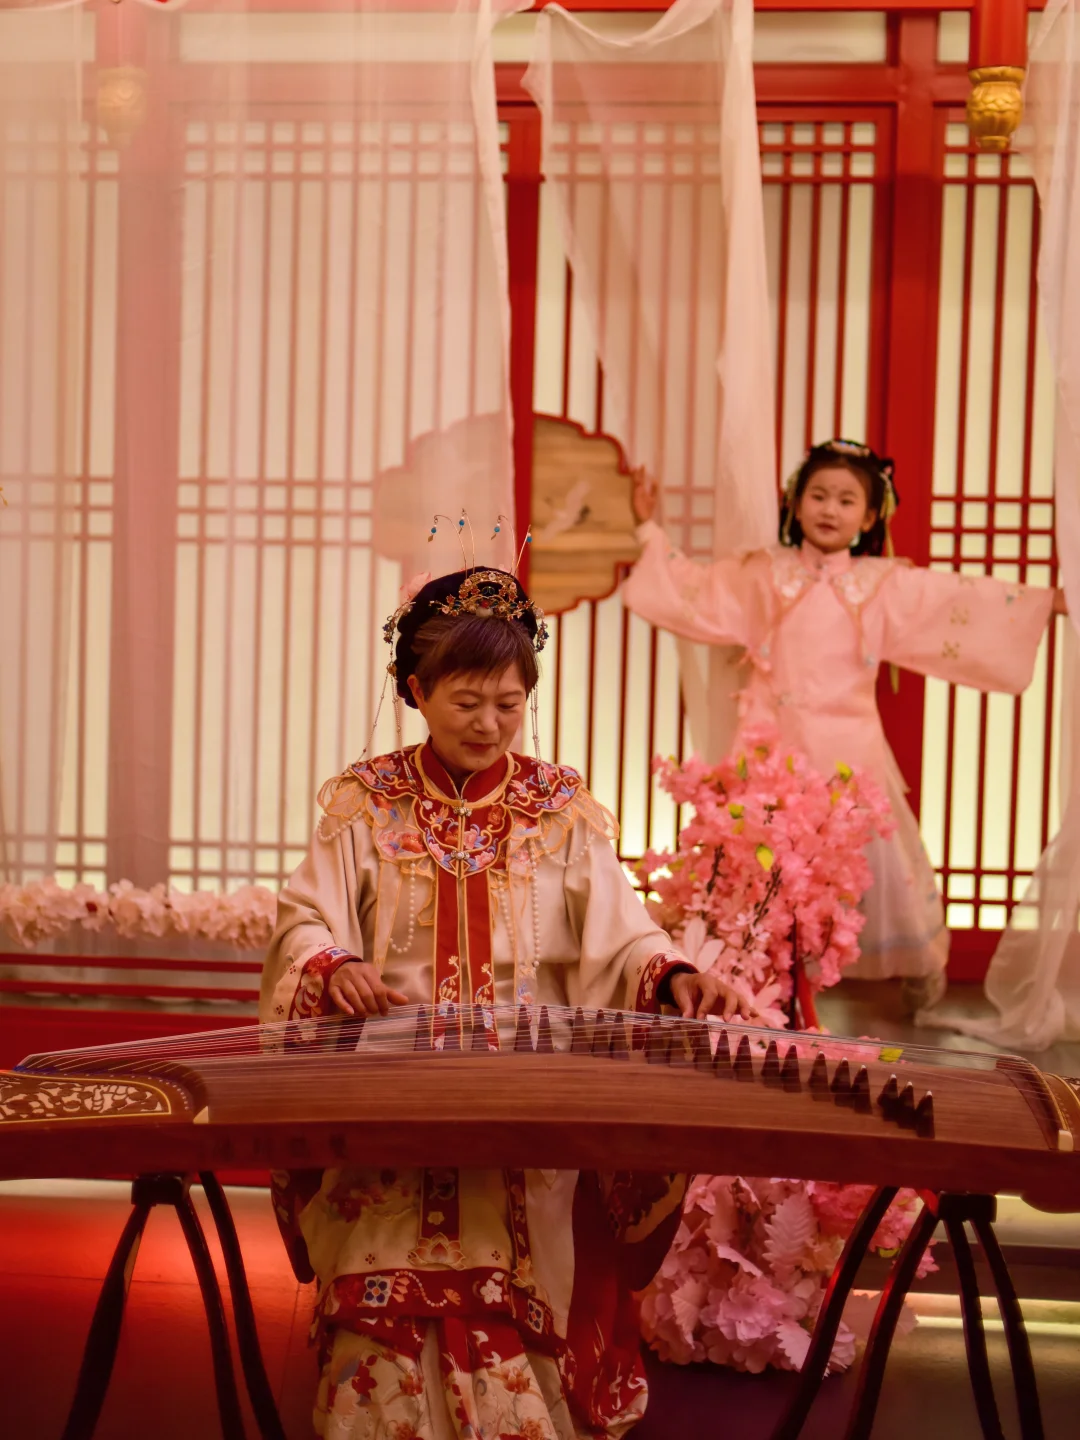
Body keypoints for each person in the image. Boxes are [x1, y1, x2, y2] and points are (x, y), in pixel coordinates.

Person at [261, 565, 730, 1440]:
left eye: (509, 705)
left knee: (516, 1278)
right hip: (391, 1096)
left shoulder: (559, 812)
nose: (488, 725)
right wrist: (333, 964)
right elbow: (303, 919)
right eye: (467, 702)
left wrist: (668, 974)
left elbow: (622, 933)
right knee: (381, 1276)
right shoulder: (367, 803)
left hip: (522, 1098)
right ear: (416, 691)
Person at [625, 439, 1067, 1013]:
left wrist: (1047, 602)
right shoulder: (764, 573)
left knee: (875, 869)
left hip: (849, 749)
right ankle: (752, 983)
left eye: (846, 500)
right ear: (795, 503)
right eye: (819, 495)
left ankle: (914, 968)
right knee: (756, 868)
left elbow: (961, 601)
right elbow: (694, 590)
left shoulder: (883, 583)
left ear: (871, 516)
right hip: (770, 745)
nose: (830, 509)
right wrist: (647, 529)